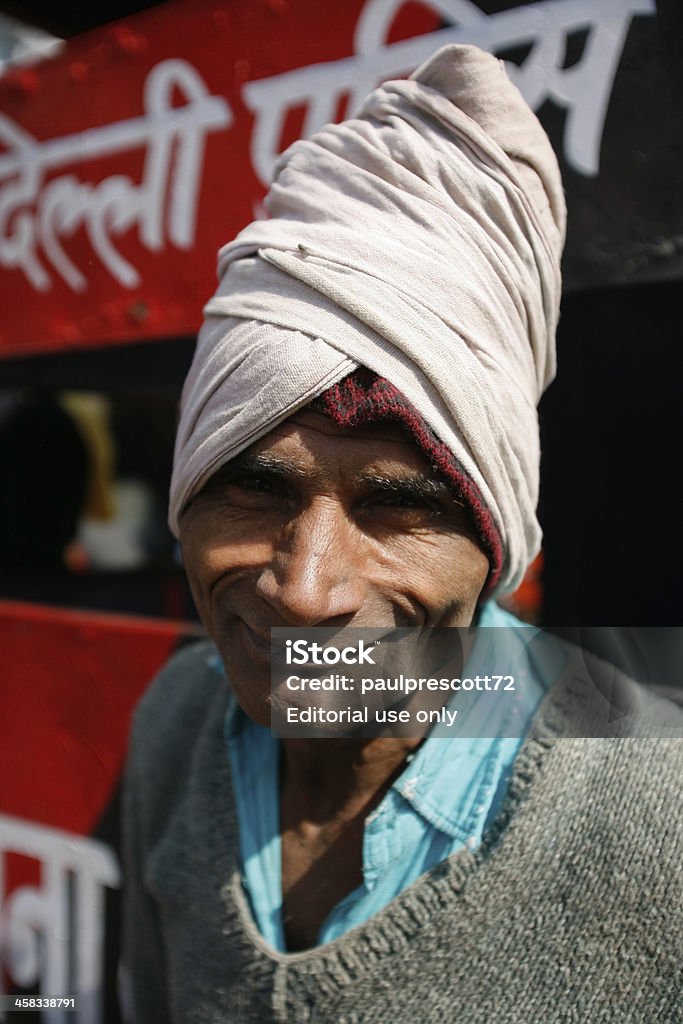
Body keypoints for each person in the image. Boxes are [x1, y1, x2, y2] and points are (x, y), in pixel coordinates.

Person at [120, 44, 682, 1022]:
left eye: (398, 506)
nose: (304, 589)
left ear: (495, 539)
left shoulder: (656, 818)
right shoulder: (173, 722)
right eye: (252, 488)